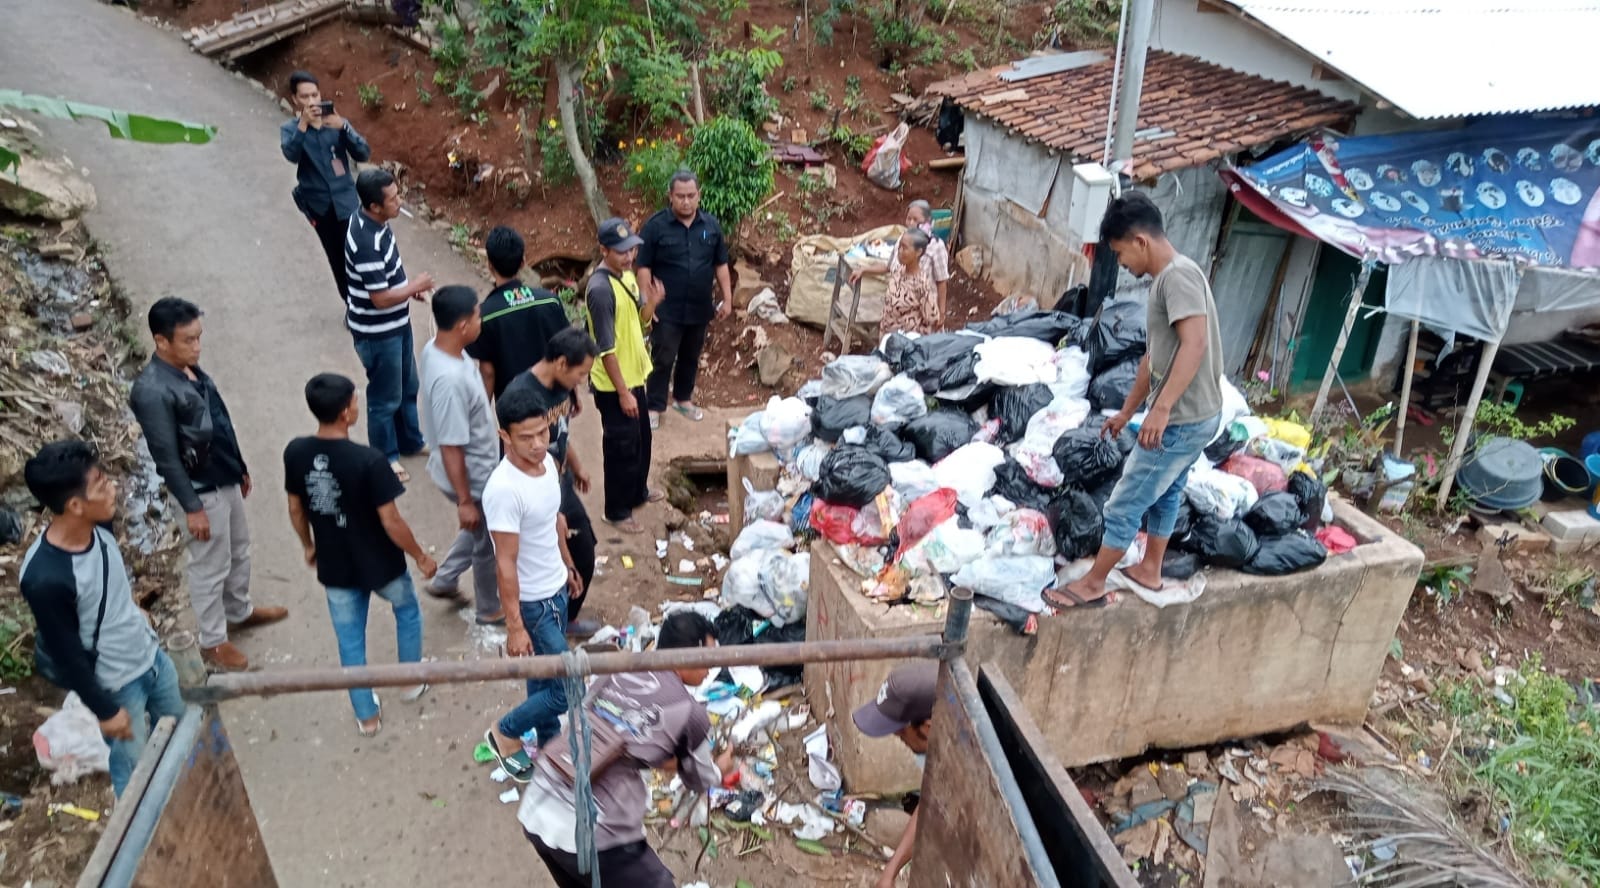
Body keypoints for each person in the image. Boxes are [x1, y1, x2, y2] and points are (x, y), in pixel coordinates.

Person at [1048, 191, 1223, 610]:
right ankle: (1150, 570)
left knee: (1126, 498)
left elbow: (1194, 345)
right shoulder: (1171, 279)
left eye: (1121, 253)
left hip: (1183, 417)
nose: (1122, 264)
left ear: (1141, 241)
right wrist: (1128, 411)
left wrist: (1160, 411)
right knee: (1167, 491)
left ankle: (1093, 583)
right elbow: (1153, 357)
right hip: (1197, 415)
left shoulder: (1177, 277)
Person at [518, 611, 733, 888]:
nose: (710, 670)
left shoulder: (620, 669)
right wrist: (721, 767)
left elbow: (596, 724)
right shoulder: (691, 713)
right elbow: (700, 780)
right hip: (593, 835)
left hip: (539, 806)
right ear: (692, 652)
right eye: (709, 658)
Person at [20, 441, 185, 798]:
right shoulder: (46, 578)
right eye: (101, 484)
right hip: (116, 684)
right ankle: (144, 839)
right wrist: (106, 711)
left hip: (149, 654)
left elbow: (105, 574)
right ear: (75, 505)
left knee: (177, 725)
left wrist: (129, 609)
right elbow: (67, 654)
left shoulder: (99, 522)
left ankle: (182, 794)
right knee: (132, 768)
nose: (114, 487)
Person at [129, 298, 286, 672]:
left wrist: (240, 466)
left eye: (199, 338)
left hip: (223, 475)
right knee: (209, 564)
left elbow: (218, 421)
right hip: (200, 489)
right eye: (188, 340)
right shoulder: (152, 391)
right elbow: (166, 456)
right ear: (161, 341)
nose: (197, 347)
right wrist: (193, 506)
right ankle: (213, 641)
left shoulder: (189, 371)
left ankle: (239, 609)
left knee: (238, 548)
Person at [284, 373, 438, 736]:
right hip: (381, 564)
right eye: (355, 401)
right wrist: (420, 556)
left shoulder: (296, 452)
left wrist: (309, 545)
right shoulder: (369, 461)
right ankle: (411, 680)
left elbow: (295, 508)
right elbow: (391, 520)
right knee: (407, 611)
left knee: (350, 641)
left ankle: (367, 716)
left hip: (334, 564)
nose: (358, 405)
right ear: (344, 414)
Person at [481, 388, 583, 770]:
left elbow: (554, 522)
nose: (539, 443)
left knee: (542, 680)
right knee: (570, 686)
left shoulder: (549, 463)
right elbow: (504, 562)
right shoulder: (504, 490)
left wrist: (568, 565)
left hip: (555, 590)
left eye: (544, 432)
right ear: (505, 436)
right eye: (527, 437)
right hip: (533, 605)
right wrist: (515, 627)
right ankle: (504, 732)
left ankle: (549, 750)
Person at [502, 327, 600, 636]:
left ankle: (564, 619)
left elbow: (559, 431)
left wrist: (577, 465)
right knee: (563, 555)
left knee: (583, 548)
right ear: (560, 363)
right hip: (540, 489)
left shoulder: (561, 386)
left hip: (560, 482)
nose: (582, 381)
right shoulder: (522, 396)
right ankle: (543, 624)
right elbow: (520, 449)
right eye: (581, 373)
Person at [419, 286, 504, 624]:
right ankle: (488, 609)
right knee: (487, 544)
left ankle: (444, 580)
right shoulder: (450, 380)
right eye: (477, 316)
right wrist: (465, 500)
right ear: (463, 326)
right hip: (471, 475)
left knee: (478, 529)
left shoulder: (438, 349)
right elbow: (453, 445)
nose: (481, 321)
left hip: (473, 465)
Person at [345, 167, 435, 482]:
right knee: (385, 397)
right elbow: (380, 298)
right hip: (377, 333)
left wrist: (411, 292)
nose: (399, 201)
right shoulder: (366, 239)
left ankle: (410, 440)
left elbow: (388, 279)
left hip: (396, 324)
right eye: (393, 199)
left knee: (408, 386)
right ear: (374, 206)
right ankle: (385, 455)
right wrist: (414, 286)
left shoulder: (378, 223)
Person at [585, 217, 665, 534]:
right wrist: (622, 393)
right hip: (615, 385)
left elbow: (642, 322)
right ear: (603, 250)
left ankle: (638, 492)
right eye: (621, 252)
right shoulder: (600, 290)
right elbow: (606, 349)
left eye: (630, 249)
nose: (629, 257)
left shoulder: (627, 278)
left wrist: (653, 303)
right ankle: (616, 511)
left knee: (641, 440)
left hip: (635, 377)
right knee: (620, 448)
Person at [634, 171, 731, 430]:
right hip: (667, 308)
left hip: (700, 307)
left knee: (691, 354)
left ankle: (682, 399)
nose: (686, 202)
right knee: (663, 356)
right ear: (671, 196)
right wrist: (647, 301)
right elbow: (643, 266)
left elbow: (721, 264)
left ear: (699, 196)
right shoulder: (655, 227)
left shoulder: (711, 226)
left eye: (691, 196)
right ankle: (654, 405)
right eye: (680, 196)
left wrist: (728, 299)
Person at [280, 70, 372, 296]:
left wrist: (344, 128)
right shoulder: (291, 129)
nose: (311, 101)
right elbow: (291, 155)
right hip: (320, 206)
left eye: (314, 95)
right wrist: (303, 126)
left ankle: (369, 299)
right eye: (305, 97)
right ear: (295, 99)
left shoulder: (336, 123)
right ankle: (350, 304)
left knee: (359, 253)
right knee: (336, 258)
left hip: (347, 202)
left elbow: (363, 153)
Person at [853, 661, 939, 888]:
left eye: (900, 732)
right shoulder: (941, 741)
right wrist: (890, 873)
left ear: (927, 728)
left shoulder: (969, 770)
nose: (897, 737)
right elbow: (929, 800)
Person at [468, 226, 573, 402]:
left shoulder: (484, 315)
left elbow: (487, 372)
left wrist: (481, 418)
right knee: (555, 431)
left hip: (516, 412)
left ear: (490, 264)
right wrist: (573, 391)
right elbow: (567, 351)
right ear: (523, 262)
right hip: (555, 403)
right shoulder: (550, 301)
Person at [851, 228, 942, 339]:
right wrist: (864, 270)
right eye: (899, 246)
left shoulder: (921, 284)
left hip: (905, 342)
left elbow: (932, 318)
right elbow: (887, 267)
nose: (900, 251)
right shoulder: (899, 270)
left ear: (918, 252)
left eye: (905, 248)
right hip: (887, 336)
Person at [904, 200, 951, 315]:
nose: (911, 223)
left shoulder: (936, 246)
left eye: (915, 220)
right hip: (903, 305)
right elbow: (889, 266)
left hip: (925, 308)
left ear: (927, 222)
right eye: (908, 218)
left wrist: (941, 312)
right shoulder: (903, 239)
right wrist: (864, 270)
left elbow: (941, 282)